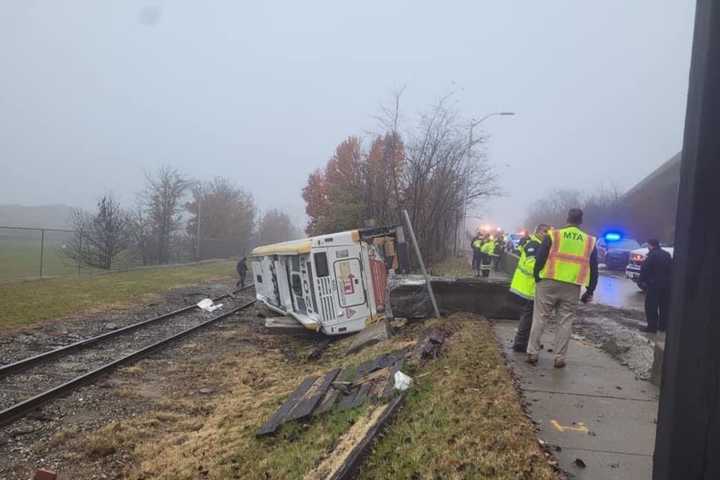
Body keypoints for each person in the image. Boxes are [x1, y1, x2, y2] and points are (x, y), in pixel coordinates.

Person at [527, 209, 599, 368]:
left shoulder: (554, 235)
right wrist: (590, 290)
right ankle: (559, 357)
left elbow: (540, 258)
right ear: (581, 221)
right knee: (565, 322)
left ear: (567, 218)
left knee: (540, 317)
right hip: (572, 286)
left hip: (548, 281)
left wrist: (537, 276)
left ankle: (532, 353)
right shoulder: (589, 241)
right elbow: (594, 268)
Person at [511, 224, 550, 352]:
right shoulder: (534, 244)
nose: (547, 234)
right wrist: (547, 271)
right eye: (545, 231)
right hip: (528, 287)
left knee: (531, 316)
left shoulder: (540, 245)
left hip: (531, 286)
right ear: (538, 232)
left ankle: (526, 341)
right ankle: (521, 343)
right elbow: (530, 264)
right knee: (529, 316)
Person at [638, 239, 672, 333]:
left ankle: (652, 327)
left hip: (654, 285)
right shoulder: (666, 254)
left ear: (650, 245)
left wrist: (641, 281)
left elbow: (645, 269)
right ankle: (663, 326)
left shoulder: (651, 255)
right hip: (667, 285)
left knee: (651, 306)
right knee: (664, 306)